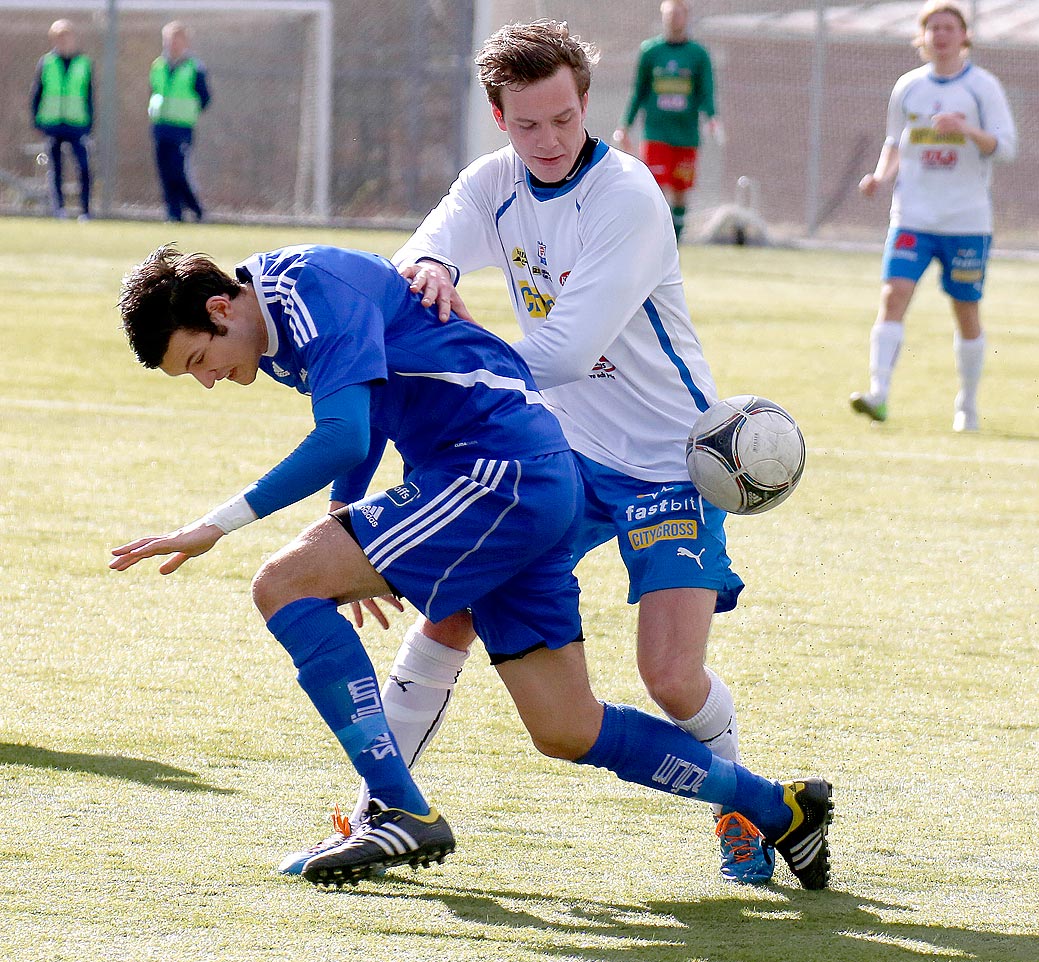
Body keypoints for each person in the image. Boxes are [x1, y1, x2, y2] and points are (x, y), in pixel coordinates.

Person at [108, 243, 834, 892]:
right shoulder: (275, 326)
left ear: (219, 307)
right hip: (529, 478)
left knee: (281, 583)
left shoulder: (310, 286)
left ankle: (396, 808)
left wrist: (214, 525)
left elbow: (341, 433)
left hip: (494, 473)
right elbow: (359, 415)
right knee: (566, 727)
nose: (207, 380)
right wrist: (343, 519)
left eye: (199, 360)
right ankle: (780, 808)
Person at [316, 19, 777, 888]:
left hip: (670, 461)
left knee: (672, 678)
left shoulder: (628, 197)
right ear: (499, 118)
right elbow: (413, 260)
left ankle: (747, 811)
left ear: (586, 104)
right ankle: (384, 808)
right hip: (562, 457)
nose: (550, 140)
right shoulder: (494, 183)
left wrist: (453, 357)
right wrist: (433, 272)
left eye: (564, 119)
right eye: (528, 125)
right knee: (447, 607)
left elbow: (563, 350)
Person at [850, 0, 1016, 432]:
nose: (940, 35)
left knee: (966, 311)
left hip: (966, 221)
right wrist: (879, 177)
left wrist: (966, 130)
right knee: (893, 295)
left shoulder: (982, 87)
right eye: (933, 28)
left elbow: (1006, 147)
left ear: (964, 37)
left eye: (949, 27)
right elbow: (894, 142)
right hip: (912, 217)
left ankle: (967, 404)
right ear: (922, 38)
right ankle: (878, 394)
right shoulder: (908, 86)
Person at [612, 0, 720, 242]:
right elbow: (638, 91)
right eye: (670, 14)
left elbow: (706, 91)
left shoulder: (698, 54)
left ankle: (676, 243)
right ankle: (653, 241)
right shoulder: (650, 51)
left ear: (687, 16)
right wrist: (624, 124)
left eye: (679, 14)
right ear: (663, 17)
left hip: (686, 135)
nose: (674, 19)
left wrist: (712, 117)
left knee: (681, 191)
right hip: (656, 133)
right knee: (654, 188)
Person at [30, 19, 94, 220]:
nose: (63, 41)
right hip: (52, 123)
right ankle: (59, 209)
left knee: (83, 167)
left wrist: (89, 124)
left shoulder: (84, 63)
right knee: (55, 168)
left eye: (66, 37)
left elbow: (90, 96)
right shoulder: (46, 62)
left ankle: (85, 210)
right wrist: (37, 121)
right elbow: (37, 93)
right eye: (59, 38)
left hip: (77, 123)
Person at [149, 21, 211, 222]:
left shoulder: (194, 67)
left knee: (179, 170)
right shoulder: (158, 65)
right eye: (168, 40)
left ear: (185, 42)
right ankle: (173, 213)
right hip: (161, 125)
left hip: (182, 127)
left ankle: (196, 209)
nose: (172, 44)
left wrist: (188, 111)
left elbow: (205, 97)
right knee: (165, 171)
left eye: (176, 40)